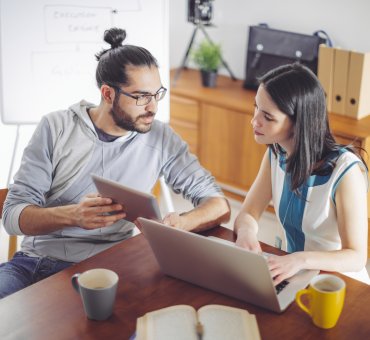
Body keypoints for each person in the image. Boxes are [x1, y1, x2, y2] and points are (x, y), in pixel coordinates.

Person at [0, 27, 230, 298]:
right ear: (108, 94)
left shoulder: (161, 137)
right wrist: (73, 215)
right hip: (37, 263)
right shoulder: (56, 127)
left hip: (113, 267)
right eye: (141, 97)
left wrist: (180, 223)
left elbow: (219, 204)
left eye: (157, 94)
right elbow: (12, 216)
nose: (153, 107)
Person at [234, 63, 368, 285]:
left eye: (267, 116)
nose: (254, 120)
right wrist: (247, 233)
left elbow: (356, 257)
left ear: (298, 123)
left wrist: (301, 260)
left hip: (339, 284)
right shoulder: (276, 153)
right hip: (294, 273)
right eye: (256, 107)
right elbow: (248, 212)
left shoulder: (346, 171)